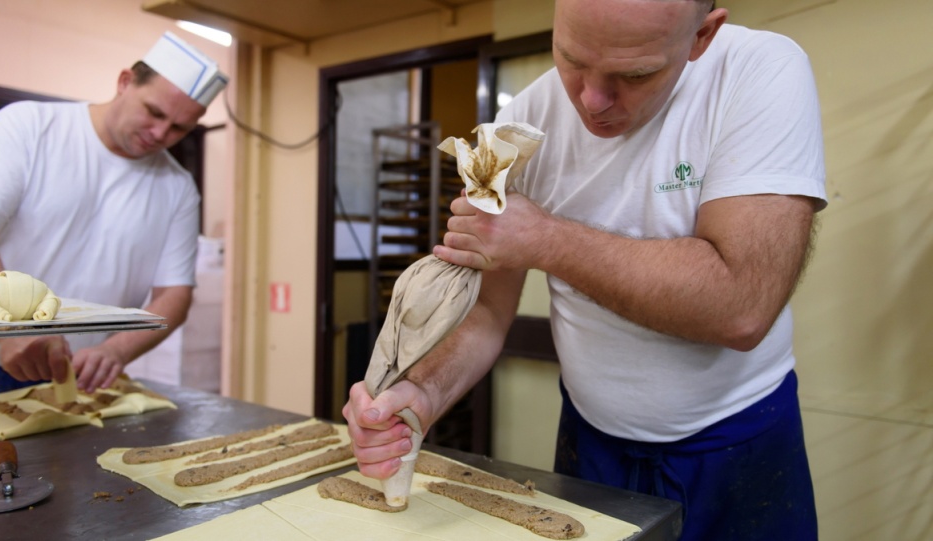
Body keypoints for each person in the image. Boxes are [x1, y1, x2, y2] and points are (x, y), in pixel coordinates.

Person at [343, 1, 826, 539]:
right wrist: (424, 392)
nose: (592, 102)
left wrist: (546, 239)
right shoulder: (512, 132)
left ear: (702, 37)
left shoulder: (763, 71)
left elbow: (742, 307)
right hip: (589, 437)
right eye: (571, 59)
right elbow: (485, 309)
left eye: (635, 73)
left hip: (738, 441)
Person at [0, 32, 228, 398]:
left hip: (79, 378)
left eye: (179, 128)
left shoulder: (178, 188)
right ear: (125, 82)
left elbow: (175, 294)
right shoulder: (29, 127)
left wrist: (116, 350)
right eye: (154, 112)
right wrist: (12, 326)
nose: (160, 133)